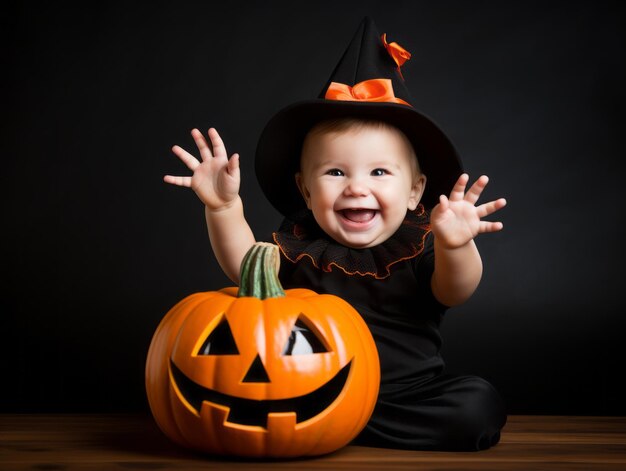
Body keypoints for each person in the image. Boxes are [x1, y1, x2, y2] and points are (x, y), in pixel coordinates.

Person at [164, 17, 508, 451]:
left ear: (415, 191)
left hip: (404, 396)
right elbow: (242, 264)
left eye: (380, 171)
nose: (356, 187)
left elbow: (454, 290)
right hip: (313, 384)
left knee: (476, 403)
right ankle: (333, 418)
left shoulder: (419, 244)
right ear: (306, 191)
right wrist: (225, 207)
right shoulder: (301, 247)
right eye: (335, 172)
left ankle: (346, 424)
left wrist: (456, 245)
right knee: (293, 401)